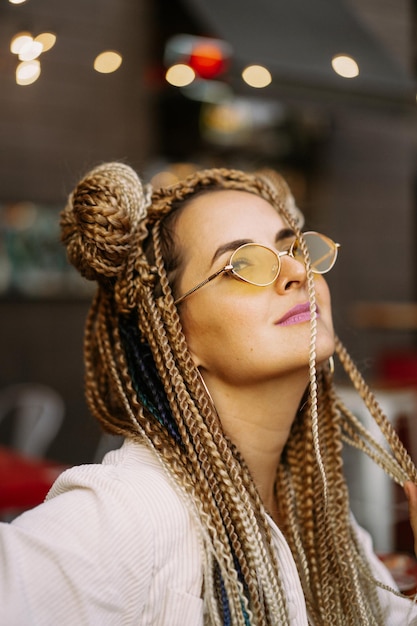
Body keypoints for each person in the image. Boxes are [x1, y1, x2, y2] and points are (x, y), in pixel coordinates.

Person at [1, 162, 417, 625]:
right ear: (178, 334)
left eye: (292, 247)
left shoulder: (316, 510)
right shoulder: (132, 513)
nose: (299, 270)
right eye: (243, 264)